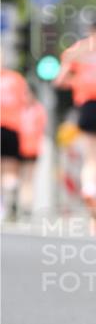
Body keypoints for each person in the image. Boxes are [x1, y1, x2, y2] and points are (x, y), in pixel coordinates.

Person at [54, 20, 96, 222]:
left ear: (91, 31)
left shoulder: (79, 50)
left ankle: (89, 188)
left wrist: (79, 81)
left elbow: (60, 80)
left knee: (92, 157)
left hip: (88, 105)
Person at [0, 63, 30, 221]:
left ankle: (3, 205)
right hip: (11, 129)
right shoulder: (16, 80)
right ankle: (8, 201)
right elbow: (24, 102)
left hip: (9, 126)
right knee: (9, 170)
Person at [17, 88, 48, 218]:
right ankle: (15, 203)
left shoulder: (38, 110)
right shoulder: (19, 109)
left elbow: (41, 129)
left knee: (28, 179)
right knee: (17, 177)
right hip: (18, 147)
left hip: (31, 148)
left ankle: (26, 206)